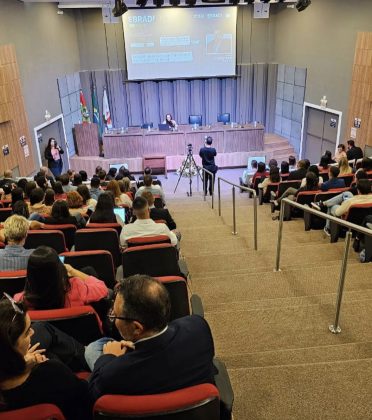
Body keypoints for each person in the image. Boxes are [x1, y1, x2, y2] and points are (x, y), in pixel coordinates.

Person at [86, 276, 215, 402]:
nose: (113, 319)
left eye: (115, 315)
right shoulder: (198, 327)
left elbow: (93, 392)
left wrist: (108, 357)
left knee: (94, 349)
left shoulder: (113, 373)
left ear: (137, 328)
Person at [0, 296, 91, 419]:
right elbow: (87, 396)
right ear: (11, 348)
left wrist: (21, 364)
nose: (33, 333)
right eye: (27, 332)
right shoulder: (53, 372)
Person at [14, 246, 108, 310]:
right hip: (78, 338)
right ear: (59, 269)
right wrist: (73, 271)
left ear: (30, 274)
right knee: (89, 271)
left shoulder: (20, 301)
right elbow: (102, 288)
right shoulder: (76, 287)